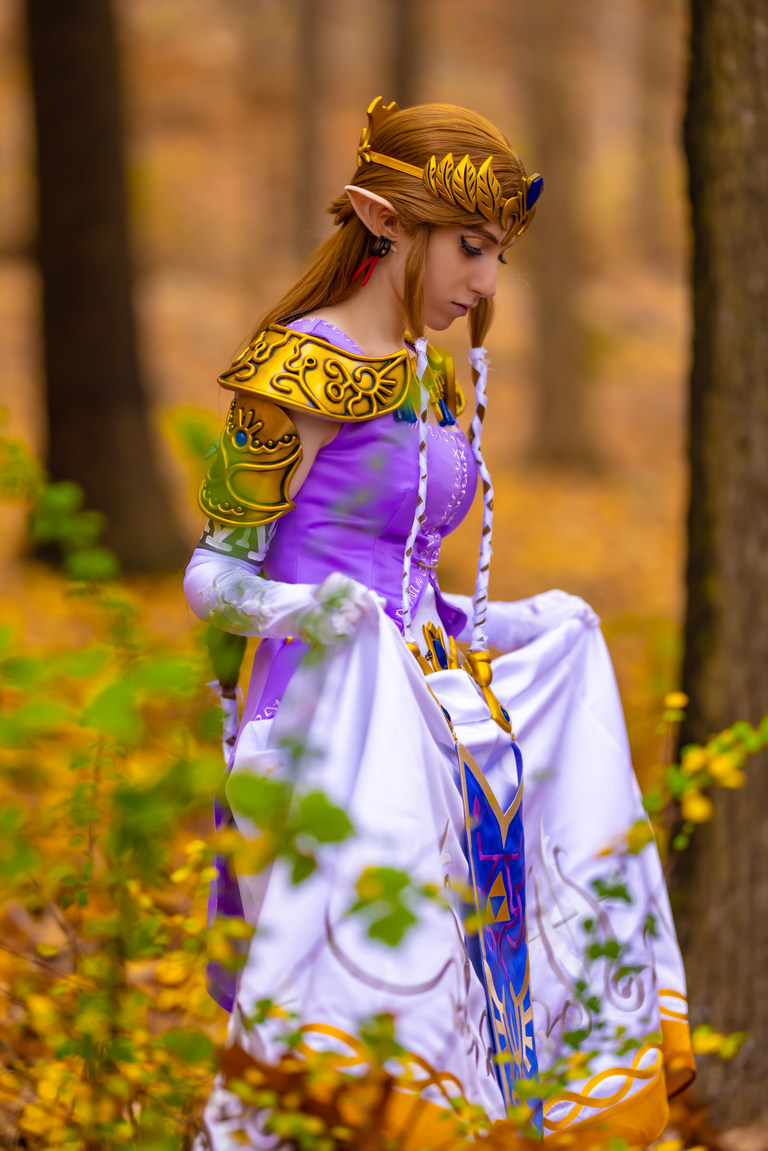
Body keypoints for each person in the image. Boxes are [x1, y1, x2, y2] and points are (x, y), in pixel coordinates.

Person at [184, 98, 694, 1149]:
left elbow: (410, 585)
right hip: (311, 743)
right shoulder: (292, 372)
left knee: (424, 1047)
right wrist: (305, 610)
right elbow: (211, 575)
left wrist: (504, 622)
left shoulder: (433, 377)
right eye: (471, 248)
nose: (485, 284)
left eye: (498, 255)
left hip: (430, 739)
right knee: (329, 1045)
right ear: (383, 220)